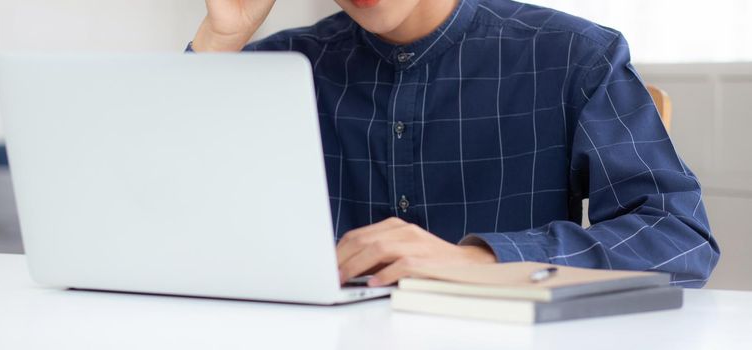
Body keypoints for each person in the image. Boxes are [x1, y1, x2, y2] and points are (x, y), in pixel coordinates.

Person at [188, 0, 719, 288]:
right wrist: (219, 40)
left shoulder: (573, 54)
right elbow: (148, 216)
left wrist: (486, 259)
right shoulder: (270, 68)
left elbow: (679, 237)